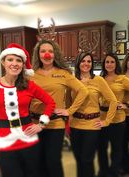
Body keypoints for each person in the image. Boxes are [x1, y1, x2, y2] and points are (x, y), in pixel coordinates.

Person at [0, 43, 55, 177]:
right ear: (3, 62)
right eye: (10, 59)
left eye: (19, 60)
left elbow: (50, 102)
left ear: (23, 65)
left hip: (29, 140)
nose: (14, 63)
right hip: (4, 142)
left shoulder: (29, 86)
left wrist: (41, 124)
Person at [29, 39, 89, 177]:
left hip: (55, 123)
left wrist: (69, 110)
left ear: (55, 54)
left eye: (50, 51)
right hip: (34, 123)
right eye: (43, 51)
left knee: (53, 161)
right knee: (38, 162)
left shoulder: (64, 73)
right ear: (38, 54)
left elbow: (83, 91)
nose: (47, 54)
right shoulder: (31, 74)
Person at [70, 51, 118, 177]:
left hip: (92, 125)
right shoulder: (72, 80)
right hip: (75, 124)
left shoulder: (98, 80)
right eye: (83, 61)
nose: (86, 64)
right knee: (79, 159)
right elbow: (69, 103)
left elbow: (113, 101)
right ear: (78, 63)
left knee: (87, 159)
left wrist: (106, 121)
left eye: (89, 61)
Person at [97, 53, 129, 177]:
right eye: (107, 62)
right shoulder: (100, 78)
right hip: (102, 117)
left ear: (116, 63)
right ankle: (103, 171)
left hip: (117, 118)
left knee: (117, 149)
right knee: (101, 148)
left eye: (112, 62)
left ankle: (114, 172)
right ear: (104, 64)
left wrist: (127, 104)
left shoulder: (122, 78)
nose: (109, 64)